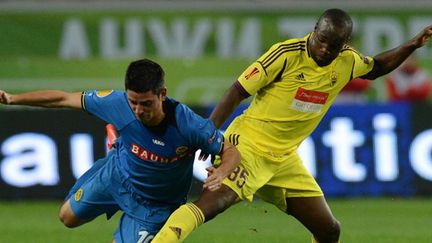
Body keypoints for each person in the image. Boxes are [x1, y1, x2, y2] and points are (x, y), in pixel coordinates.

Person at [152, 9, 432, 243]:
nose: (324, 49)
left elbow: (377, 67)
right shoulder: (285, 54)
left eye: (333, 46)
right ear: (314, 30)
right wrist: (208, 133)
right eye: (321, 40)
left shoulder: (347, 61)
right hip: (247, 146)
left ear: (344, 44)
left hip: (284, 160)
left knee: (329, 230)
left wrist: (411, 45)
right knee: (212, 205)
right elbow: (237, 91)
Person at [0, 58, 241, 243]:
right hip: (116, 176)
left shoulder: (188, 124)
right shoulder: (115, 102)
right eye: (133, 102)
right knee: (67, 218)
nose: (138, 110)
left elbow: (230, 150)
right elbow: (62, 99)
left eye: (146, 104)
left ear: (162, 95)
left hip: (153, 206)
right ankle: (116, 151)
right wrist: (13, 99)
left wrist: (221, 173)